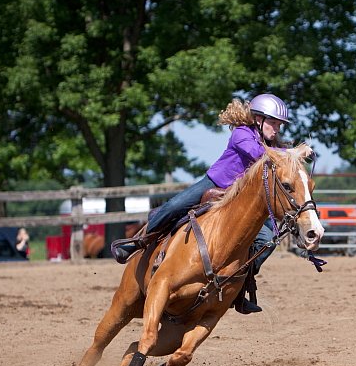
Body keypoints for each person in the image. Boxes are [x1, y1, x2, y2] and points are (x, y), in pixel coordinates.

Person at [111, 93, 292, 313]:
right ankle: (137, 242)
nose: (277, 129)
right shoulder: (242, 134)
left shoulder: (272, 145)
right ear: (258, 119)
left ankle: (240, 287)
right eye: (274, 123)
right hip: (213, 185)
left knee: (268, 239)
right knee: (173, 207)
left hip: (237, 200)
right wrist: (293, 153)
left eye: (280, 125)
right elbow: (258, 154)